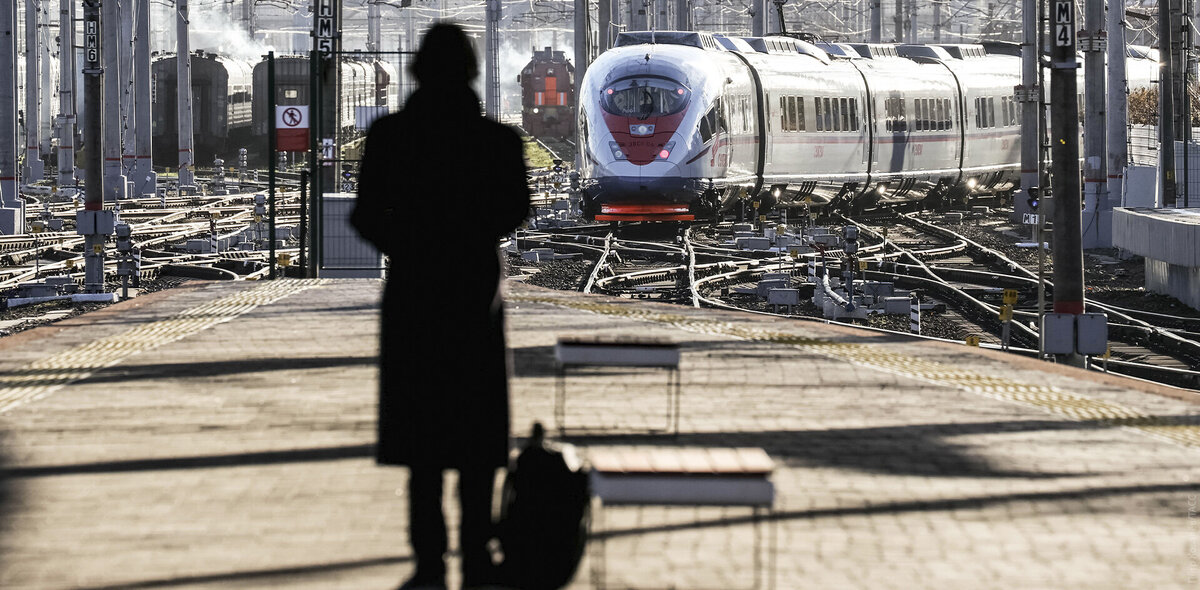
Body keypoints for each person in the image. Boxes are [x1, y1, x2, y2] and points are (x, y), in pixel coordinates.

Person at [351, 22, 531, 590]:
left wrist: (406, 245)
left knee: (420, 442)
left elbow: (362, 215)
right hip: (475, 295)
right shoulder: (498, 141)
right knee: (476, 440)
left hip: (412, 296)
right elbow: (517, 210)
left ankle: (429, 562)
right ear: (473, 72)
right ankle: (478, 557)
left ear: (417, 72)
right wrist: (470, 238)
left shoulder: (389, 136)